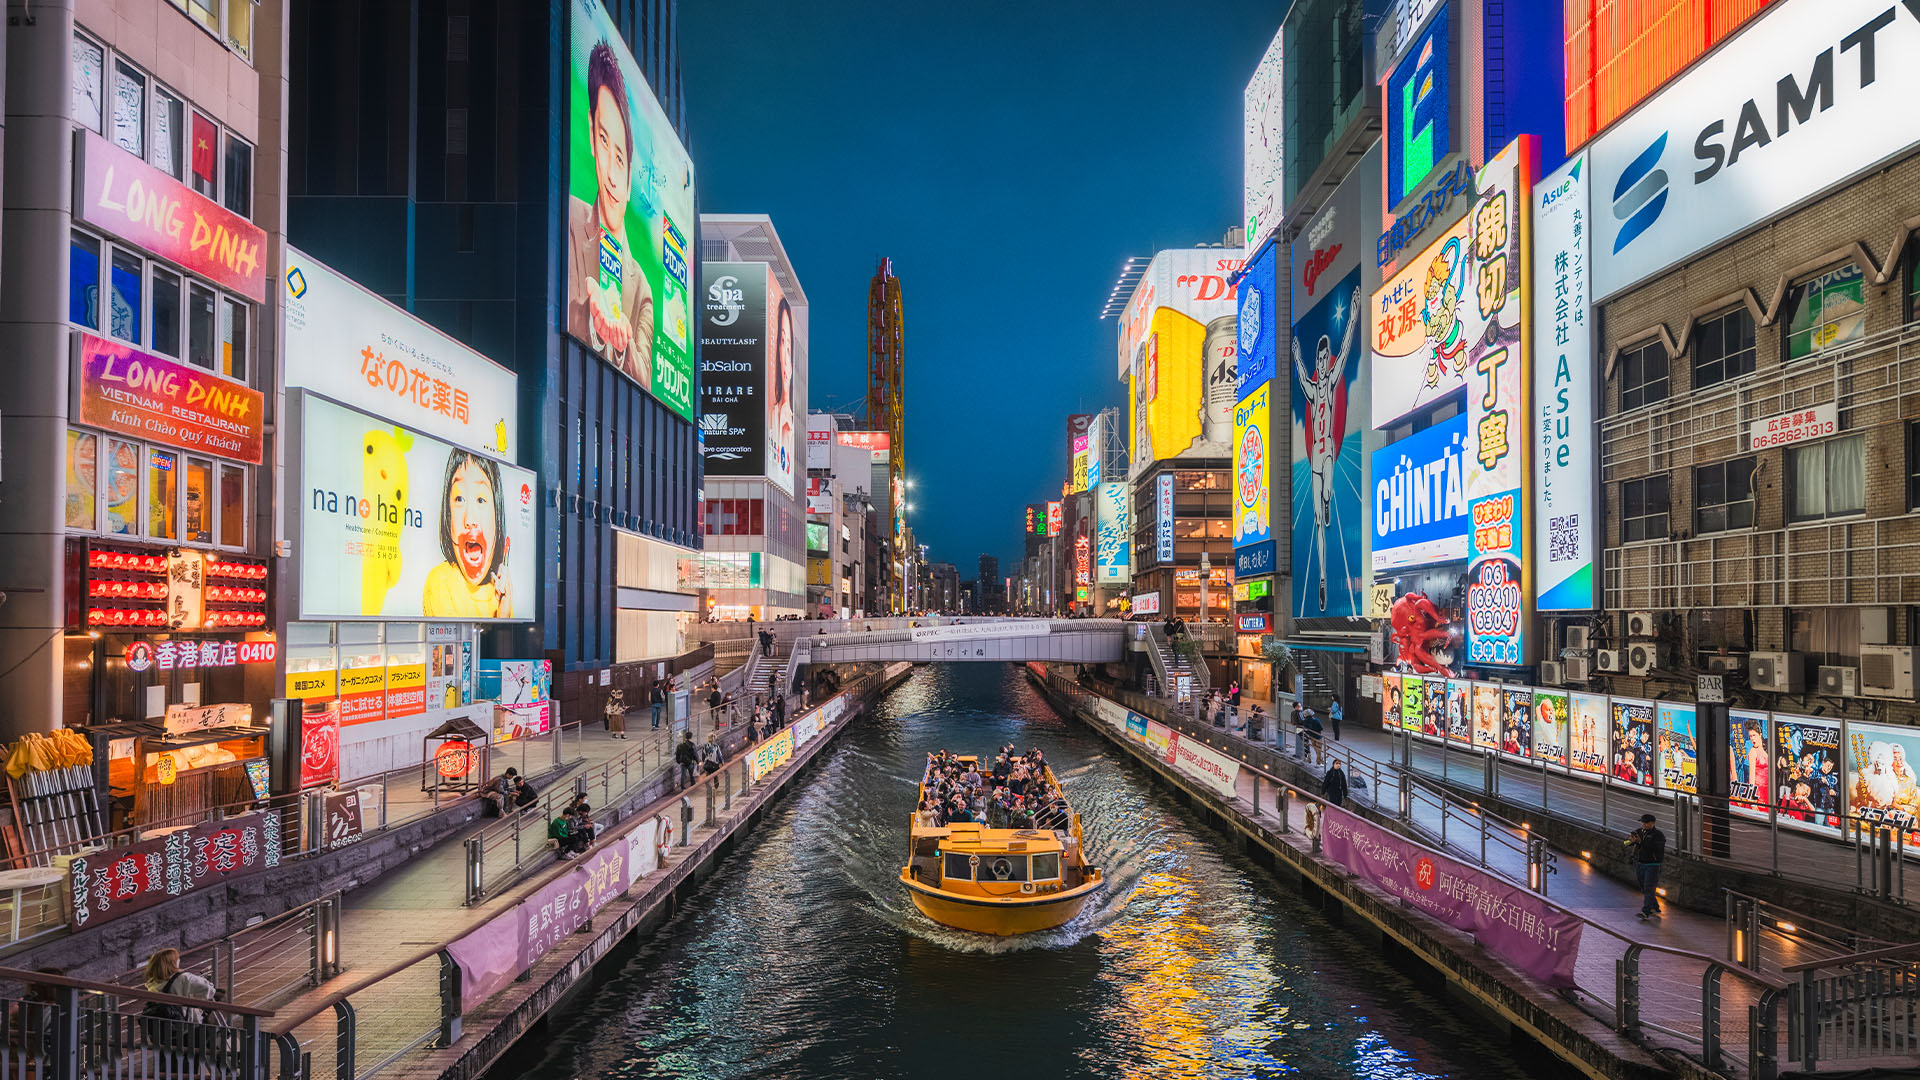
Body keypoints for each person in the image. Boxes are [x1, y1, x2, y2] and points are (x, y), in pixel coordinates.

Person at [566, 40, 655, 383]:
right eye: (604, 141)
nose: (613, 177)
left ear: (631, 176)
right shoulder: (569, 220)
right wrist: (593, 319)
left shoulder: (642, 287)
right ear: (590, 134)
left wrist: (619, 343)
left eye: (621, 158)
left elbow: (644, 374)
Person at [1293, 284, 1361, 612]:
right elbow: (1302, 375)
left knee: (1326, 496)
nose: (1321, 362)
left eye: (1323, 357)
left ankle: (1327, 498)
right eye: (1318, 358)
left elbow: (1346, 351)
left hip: (1328, 448)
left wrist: (1353, 317)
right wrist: (1295, 355)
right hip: (1316, 455)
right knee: (1318, 520)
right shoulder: (1312, 386)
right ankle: (1321, 576)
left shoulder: (1331, 382)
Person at [422, 451, 513, 617]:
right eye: (459, 499)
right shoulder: (440, 582)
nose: (470, 518)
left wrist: (504, 615)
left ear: (497, 514)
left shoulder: (501, 591)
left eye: (480, 500)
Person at [142, 948, 217, 1049]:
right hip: (187, 1029)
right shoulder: (183, 978)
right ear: (173, 963)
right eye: (177, 959)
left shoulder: (153, 983)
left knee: (171, 1061)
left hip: (167, 1033)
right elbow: (209, 989)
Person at [1626, 813, 1666, 920]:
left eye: (1646, 823)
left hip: (1652, 865)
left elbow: (1656, 848)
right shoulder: (1639, 832)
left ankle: (1646, 911)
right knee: (1644, 887)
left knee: (1649, 887)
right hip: (1640, 863)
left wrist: (1641, 842)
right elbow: (1626, 843)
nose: (1643, 824)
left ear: (1652, 823)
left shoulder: (1658, 835)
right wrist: (1630, 841)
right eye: (1642, 822)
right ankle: (1655, 907)